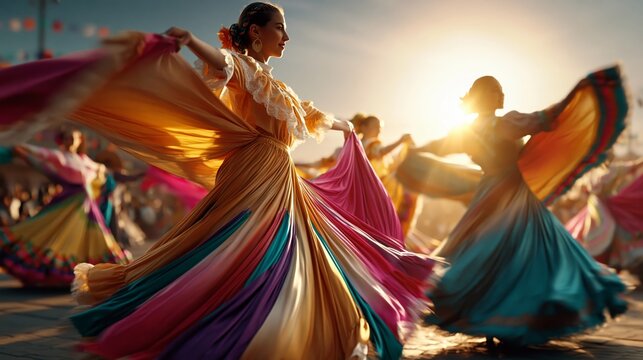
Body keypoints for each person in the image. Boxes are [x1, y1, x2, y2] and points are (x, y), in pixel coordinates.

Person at [0, 2, 433, 358]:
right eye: (280, 27)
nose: (287, 36)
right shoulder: (244, 67)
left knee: (279, 249)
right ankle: (233, 326)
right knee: (240, 246)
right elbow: (223, 62)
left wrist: (348, 128)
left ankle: (270, 325)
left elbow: (313, 114)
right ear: (255, 31)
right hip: (254, 171)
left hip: (275, 173)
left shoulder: (274, 84)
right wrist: (190, 41)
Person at [415, 70, 629, 346]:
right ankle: (512, 318)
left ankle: (497, 319)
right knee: (523, 254)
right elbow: (544, 120)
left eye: (501, 90)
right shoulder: (504, 123)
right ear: (484, 97)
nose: (501, 94)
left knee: (487, 255)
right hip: (511, 195)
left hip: (489, 194)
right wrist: (577, 97)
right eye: (496, 90)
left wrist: (415, 150)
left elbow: (440, 146)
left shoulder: (468, 131)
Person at [0, 129, 129, 287]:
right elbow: (42, 155)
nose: (69, 141)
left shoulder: (85, 160)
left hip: (87, 209)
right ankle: (58, 275)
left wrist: (103, 171)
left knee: (91, 239)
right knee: (58, 237)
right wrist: (22, 150)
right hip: (68, 205)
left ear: (80, 140)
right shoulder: (61, 156)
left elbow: (100, 172)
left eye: (72, 138)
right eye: (66, 138)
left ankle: (97, 273)